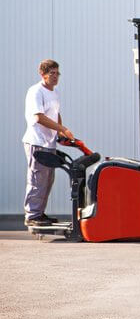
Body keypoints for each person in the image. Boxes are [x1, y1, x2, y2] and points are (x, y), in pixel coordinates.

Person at [22, 59, 75, 227]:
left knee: (47, 179)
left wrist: (60, 133)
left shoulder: (55, 92)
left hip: (49, 142)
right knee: (37, 179)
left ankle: (39, 213)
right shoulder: (36, 91)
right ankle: (32, 215)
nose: (55, 76)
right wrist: (63, 128)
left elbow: (55, 113)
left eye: (57, 73)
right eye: (51, 73)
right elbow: (39, 117)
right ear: (42, 74)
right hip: (37, 142)